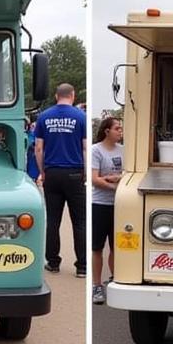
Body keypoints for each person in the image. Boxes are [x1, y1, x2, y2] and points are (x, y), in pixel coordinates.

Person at [33, 83, 87, 280]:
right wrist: (85, 172)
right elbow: (85, 148)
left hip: (52, 172)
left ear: (56, 96)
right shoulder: (81, 117)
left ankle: (53, 262)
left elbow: (38, 148)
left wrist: (42, 171)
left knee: (53, 221)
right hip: (74, 172)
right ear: (72, 95)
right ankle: (82, 266)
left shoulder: (44, 117)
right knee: (80, 221)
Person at [90, 116, 123, 304]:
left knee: (117, 245)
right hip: (100, 204)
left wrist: (115, 179)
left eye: (121, 129)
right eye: (117, 128)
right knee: (97, 247)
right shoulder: (96, 150)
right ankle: (96, 284)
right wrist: (114, 184)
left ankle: (115, 277)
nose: (120, 131)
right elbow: (95, 179)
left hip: (119, 204)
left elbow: (127, 175)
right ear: (107, 131)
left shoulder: (124, 150)